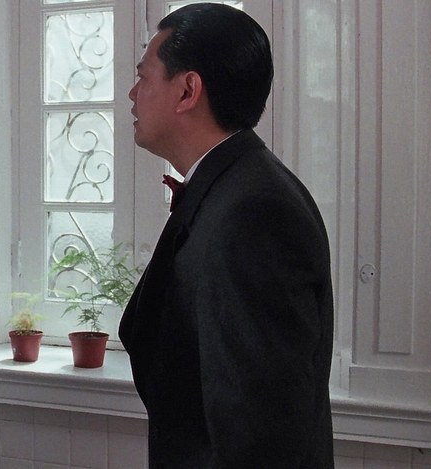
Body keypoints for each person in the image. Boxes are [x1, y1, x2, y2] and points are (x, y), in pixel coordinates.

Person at [118, 4, 334, 468]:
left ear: (187, 90)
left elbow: (260, 427)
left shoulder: (255, 211)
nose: (133, 93)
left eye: (143, 76)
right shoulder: (232, 186)